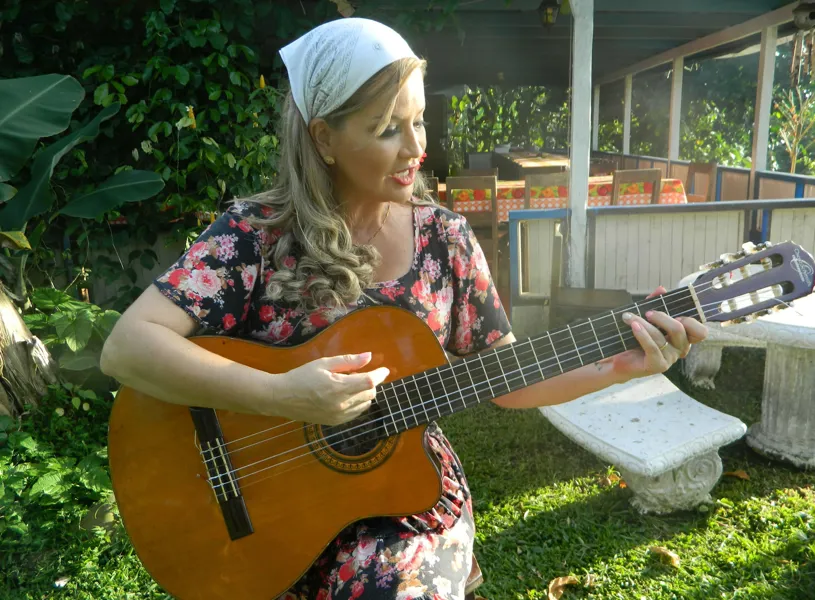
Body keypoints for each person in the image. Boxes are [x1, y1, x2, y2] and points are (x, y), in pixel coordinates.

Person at [100, 17, 708, 600]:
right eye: (388, 128)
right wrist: (281, 395)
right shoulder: (255, 235)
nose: (417, 147)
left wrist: (621, 365)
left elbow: (506, 377)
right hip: (265, 525)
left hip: (401, 507)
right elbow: (128, 347)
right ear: (324, 138)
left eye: (419, 121)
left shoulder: (444, 239)